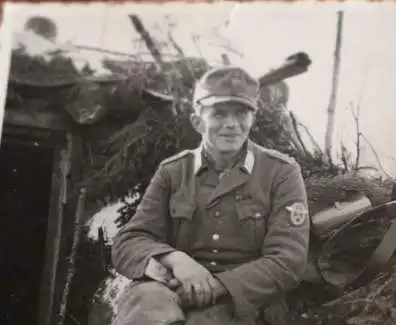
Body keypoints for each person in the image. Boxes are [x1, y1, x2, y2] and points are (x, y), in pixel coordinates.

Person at [111, 65, 310, 325]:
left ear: (253, 119)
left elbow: (287, 260)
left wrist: (212, 286)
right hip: (174, 288)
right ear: (197, 121)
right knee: (146, 304)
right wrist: (176, 260)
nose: (231, 125)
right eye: (218, 114)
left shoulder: (280, 172)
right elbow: (130, 241)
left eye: (241, 113)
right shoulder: (173, 171)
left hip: (241, 299)